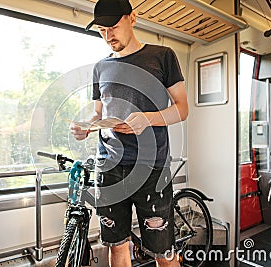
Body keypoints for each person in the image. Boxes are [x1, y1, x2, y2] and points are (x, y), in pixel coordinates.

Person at [70, 0, 188, 266]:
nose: (108, 35)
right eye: (102, 30)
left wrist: (147, 119)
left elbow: (182, 109)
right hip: (110, 167)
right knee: (116, 247)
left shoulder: (162, 55)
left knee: (163, 253)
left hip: (151, 169)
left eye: (113, 26)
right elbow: (99, 114)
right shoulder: (100, 67)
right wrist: (86, 127)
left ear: (132, 19)